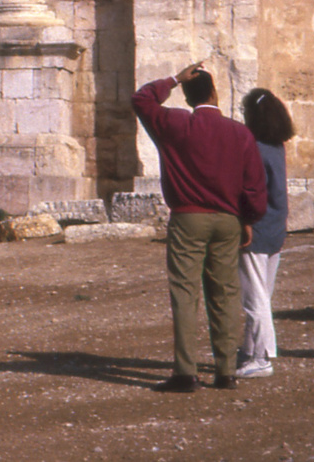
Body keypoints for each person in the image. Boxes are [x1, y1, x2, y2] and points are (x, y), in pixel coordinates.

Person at [133, 62, 267, 392]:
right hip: (228, 220)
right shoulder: (240, 133)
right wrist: (248, 219)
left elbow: (142, 100)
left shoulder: (175, 124)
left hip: (187, 217)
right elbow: (254, 185)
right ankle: (225, 371)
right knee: (224, 293)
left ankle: (186, 372)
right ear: (215, 93)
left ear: (189, 96)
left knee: (185, 292)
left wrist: (174, 79)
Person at [237, 87, 295, 378]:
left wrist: (244, 221)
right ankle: (249, 351)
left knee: (254, 299)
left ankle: (261, 358)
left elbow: (252, 191)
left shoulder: (255, 149)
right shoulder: (276, 147)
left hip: (256, 229)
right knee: (263, 294)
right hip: (275, 229)